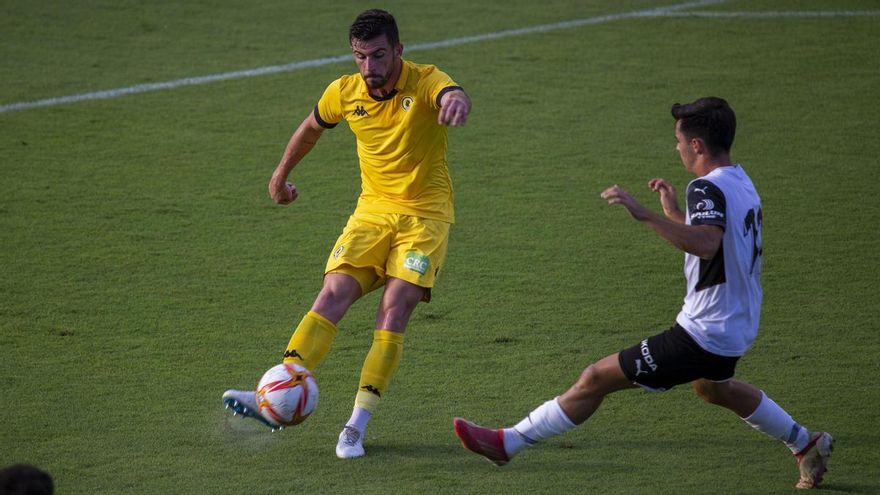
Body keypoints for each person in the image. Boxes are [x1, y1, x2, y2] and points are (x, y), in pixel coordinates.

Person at [453, 97, 833, 489]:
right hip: (736, 322)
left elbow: (706, 244)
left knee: (595, 377)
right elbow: (724, 239)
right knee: (712, 388)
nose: (677, 147)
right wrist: (673, 215)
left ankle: (507, 443)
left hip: (705, 331)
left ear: (698, 145)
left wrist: (645, 214)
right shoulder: (739, 180)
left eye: (679, 140)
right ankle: (806, 443)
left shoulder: (704, 188)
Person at [222, 9, 470, 459]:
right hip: (371, 213)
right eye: (360, 57)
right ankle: (279, 388)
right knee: (331, 293)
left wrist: (457, 100)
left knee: (393, 310)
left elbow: (450, 91)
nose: (369, 67)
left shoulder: (427, 80)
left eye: (378, 55)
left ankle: (355, 426)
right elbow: (312, 127)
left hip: (425, 218)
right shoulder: (344, 91)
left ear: (398, 50)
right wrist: (280, 174)